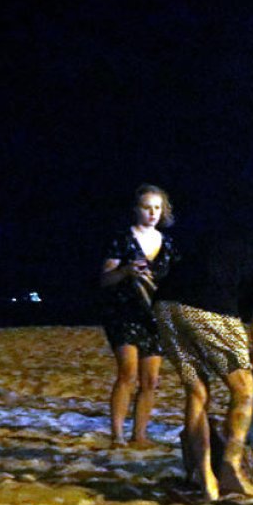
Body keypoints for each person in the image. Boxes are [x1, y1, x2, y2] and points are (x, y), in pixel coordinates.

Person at [154, 232, 253, 500]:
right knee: (244, 390)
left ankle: (205, 480)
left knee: (197, 392)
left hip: (165, 306)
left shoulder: (228, 248)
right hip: (209, 309)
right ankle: (231, 470)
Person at [99, 184, 176, 448]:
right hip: (124, 313)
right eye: (147, 207)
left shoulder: (168, 243)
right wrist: (126, 271)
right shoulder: (123, 239)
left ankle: (139, 434)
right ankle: (117, 435)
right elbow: (105, 279)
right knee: (127, 373)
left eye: (157, 207)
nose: (153, 212)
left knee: (150, 380)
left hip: (153, 316)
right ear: (137, 210)